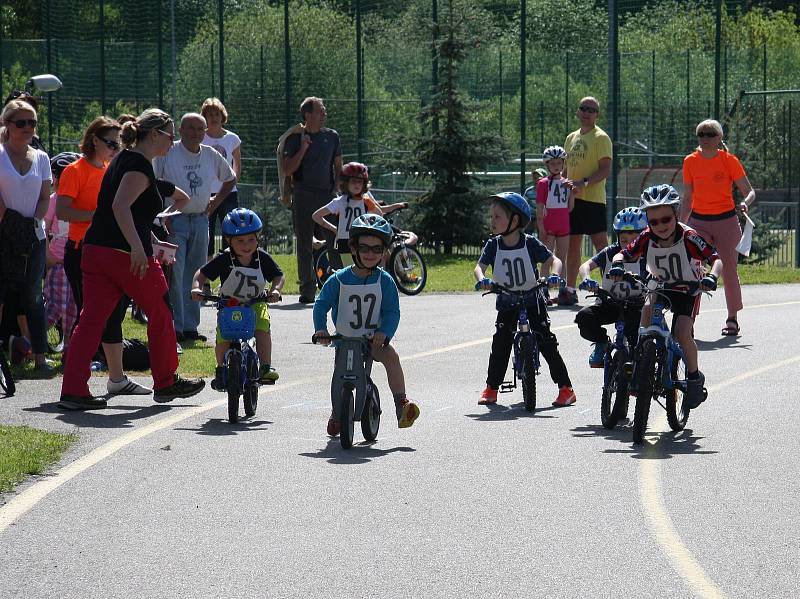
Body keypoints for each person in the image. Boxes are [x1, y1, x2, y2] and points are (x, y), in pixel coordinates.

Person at [59, 108, 205, 410]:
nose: (173, 142)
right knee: (161, 311)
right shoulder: (138, 165)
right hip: (123, 255)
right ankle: (165, 381)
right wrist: (139, 248)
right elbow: (120, 207)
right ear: (154, 134)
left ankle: (73, 390)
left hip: (96, 251)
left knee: (90, 321)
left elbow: (128, 213)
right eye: (170, 135)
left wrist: (149, 239)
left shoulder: (122, 160)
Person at [57, 117, 151, 395]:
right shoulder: (76, 170)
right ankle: (74, 372)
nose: (115, 148)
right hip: (80, 251)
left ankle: (117, 378)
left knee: (112, 316)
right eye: (110, 142)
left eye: (119, 143)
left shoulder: (112, 169)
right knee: (91, 314)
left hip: (109, 253)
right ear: (94, 140)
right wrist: (100, 216)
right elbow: (63, 211)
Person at [609, 184, 722, 409]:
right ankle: (639, 358)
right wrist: (617, 264)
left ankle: (693, 377)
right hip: (659, 285)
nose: (660, 226)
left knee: (681, 332)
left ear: (676, 214)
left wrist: (712, 277)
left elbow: (715, 258)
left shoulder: (689, 236)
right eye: (654, 221)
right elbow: (624, 252)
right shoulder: (646, 237)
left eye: (666, 219)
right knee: (647, 310)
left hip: (687, 289)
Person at [313, 214, 420, 435]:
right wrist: (321, 329)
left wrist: (384, 332)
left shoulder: (385, 281)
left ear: (384, 251)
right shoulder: (338, 279)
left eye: (377, 249)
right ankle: (337, 411)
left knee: (392, 357)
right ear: (353, 249)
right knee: (339, 374)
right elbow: (321, 304)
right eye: (365, 248)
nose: (371, 254)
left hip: (373, 340)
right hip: (344, 340)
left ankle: (401, 404)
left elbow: (392, 312)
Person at [474, 192, 577, 407]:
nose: (492, 221)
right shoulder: (493, 245)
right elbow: (479, 267)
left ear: (515, 220)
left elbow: (554, 260)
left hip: (533, 298)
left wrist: (555, 275)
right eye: (491, 217)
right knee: (501, 342)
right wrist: (483, 279)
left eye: (497, 217)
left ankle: (565, 389)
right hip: (507, 300)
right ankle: (492, 388)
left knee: (546, 341)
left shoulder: (530, 243)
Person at [154, 112, 235, 342]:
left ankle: (191, 326)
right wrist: (163, 213)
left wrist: (215, 203)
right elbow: (153, 183)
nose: (196, 133)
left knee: (196, 273)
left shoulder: (210, 154)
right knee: (176, 275)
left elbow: (230, 179)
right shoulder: (169, 153)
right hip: (175, 221)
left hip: (201, 219)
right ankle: (176, 326)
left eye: (200, 129)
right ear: (180, 131)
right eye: (191, 128)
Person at [191, 208, 284, 389]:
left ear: (258, 238)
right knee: (223, 336)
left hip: (255, 302)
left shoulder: (262, 257)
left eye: (251, 239)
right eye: (240, 240)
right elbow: (201, 274)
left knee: (262, 329)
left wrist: (276, 290)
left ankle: (265, 366)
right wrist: (196, 287)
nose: (246, 245)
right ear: (229, 240)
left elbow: (278, 276)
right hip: (230, 303)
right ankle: (220, 369)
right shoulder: (224, 258)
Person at [680, 119, 755, 337]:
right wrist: (680, 225)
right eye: (701, 133)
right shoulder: (690, 161)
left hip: (727, 220)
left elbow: (749, 191)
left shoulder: (729, 160)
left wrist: (745, 203)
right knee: (694, 269)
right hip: (698, 221)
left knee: (729, 270)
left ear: (719, 138)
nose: (705, 137)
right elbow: (688, 197)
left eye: (710, 133)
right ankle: (688, 319)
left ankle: (732, 318)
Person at [0, 100, 54, 374]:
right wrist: (12, 224)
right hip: (3, 234)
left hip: (34, 236)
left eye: (31, 122)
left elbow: (45, 197)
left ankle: (40, 357)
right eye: (20, 123)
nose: (27, 128)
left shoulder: (41, 158)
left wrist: (34, 222)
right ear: (7, 125)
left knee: (33, 295)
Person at [283, 97, 343, 304]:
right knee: (305, 245)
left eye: (324, 110)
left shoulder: (332, 136)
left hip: (327, 197)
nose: (324, 114)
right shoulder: (295, 138)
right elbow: (287, 170)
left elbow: (338, 165)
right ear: (308, 115)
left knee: (335, 240)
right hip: (302, 195)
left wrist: (336, 188)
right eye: (320, 111)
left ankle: (340, 284)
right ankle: (308, 290)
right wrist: (303, 148)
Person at [575, 207, 648, 367]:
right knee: (584, 317)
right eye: (624, 240)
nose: (628, 245)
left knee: (635, 345)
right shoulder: (610, 253)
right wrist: (587, 278)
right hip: (610, 303)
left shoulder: (647, 255)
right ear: (617, 238)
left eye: (634, 240)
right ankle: (602, 343)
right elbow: (585, 266)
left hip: (635, 306)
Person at [562, 96, 613, 306]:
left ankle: (611, 288)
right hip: (573, 201)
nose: (586, 112)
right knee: (572, 246)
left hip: (593, 200)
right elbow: (565, 169)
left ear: (597, 115)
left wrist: (583, 182)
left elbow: (605, 169)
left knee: (601, 245)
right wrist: (562, 183)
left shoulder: (601, 138)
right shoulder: (571, 137)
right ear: (578, 111)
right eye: (583, 108)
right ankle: (570, 290)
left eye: (591, 110)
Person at [312, 161, 382, 270]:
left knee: (365, 271)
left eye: (360, 181)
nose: (357, 185)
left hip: (362, 241)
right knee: (351, 273)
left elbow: (379, 216)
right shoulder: (339, 202)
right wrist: (335, 229)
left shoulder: (366, 201)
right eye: (353, 181)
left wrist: (370, 228)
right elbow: (316, 216)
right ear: (345, 183)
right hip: (345, 242)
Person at [43, 152, 80, 353]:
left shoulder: (80, 199)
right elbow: (43, 228)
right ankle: (32, 341)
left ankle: (68, 345)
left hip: (76, 258)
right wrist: (48, 256)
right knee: (56, 304)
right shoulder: (53, 200)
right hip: (58, 261)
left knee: (73, 307)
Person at [201, 98, 242, 260]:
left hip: (228, 193)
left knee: (230, 234)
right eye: (210, 114)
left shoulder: (232, 138)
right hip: (206, 192)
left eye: (216, 114)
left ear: (222, 116)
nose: (213, 118)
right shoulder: (200, 137)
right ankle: (205, 282)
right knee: (207, 235)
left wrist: (232, 184)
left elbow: (237, 164)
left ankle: (228, 275)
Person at [532, 145, 573, 305]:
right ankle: (543, 291)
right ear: (547, 165)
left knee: (562, 258)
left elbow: (570, 207)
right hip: (548, 227)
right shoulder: (543, 183)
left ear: (563, 164)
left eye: (559, 163)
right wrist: (541, 227)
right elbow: (540, 207)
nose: (556, 166)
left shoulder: (566, 183)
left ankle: (562, 292)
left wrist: (573, 193)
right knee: (547, 259)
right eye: (553, 163)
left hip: (564, 225)